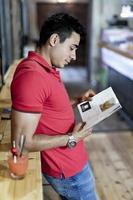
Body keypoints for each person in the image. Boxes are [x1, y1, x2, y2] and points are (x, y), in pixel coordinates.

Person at [11, 13, 99, 200]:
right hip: (68, 170)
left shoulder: (44, 68)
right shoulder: (32, 77)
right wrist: (72, 138)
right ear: (54, 39)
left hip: (73, 163)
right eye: (72, 48)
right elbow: (21, 144)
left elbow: (46, 107)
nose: (74, 56)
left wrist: (76, 101)